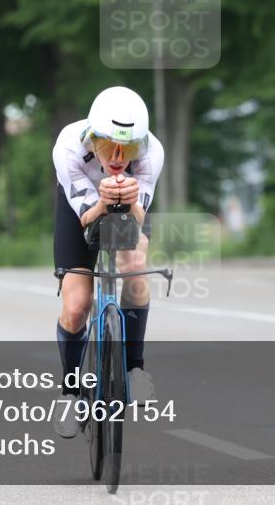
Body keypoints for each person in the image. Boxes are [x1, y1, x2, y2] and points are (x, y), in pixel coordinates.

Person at [51, 86, 164, 439]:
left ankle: (134, 368)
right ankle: (70, 392)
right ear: (92, 138)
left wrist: (129, 200)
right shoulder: (68, 146)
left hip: (128, 209)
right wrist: (102, 201)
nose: (117, 157)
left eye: (128, 149)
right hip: (82, 210)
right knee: (77, 305)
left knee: (134, 265)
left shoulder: (152, 152)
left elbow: (139, 219)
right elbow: (86, 218)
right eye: (108, 146)